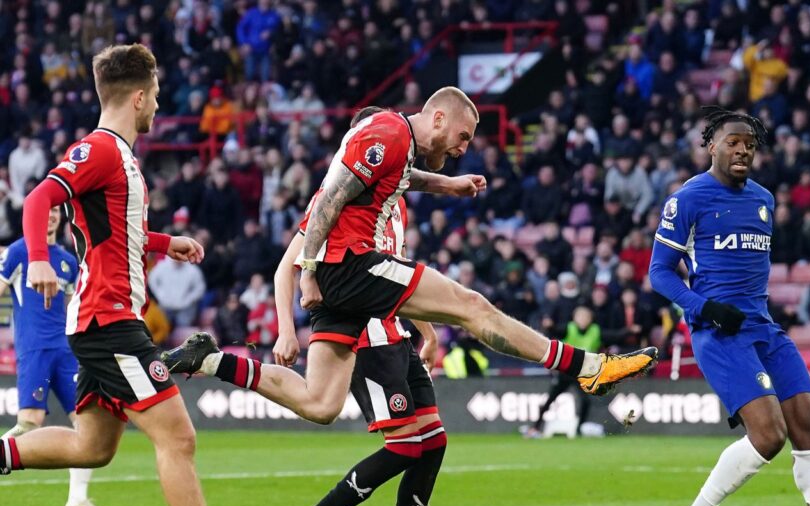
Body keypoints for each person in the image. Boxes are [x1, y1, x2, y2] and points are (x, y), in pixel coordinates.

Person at [163, 88, 656, 426]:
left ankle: (212, 361)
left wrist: (446, 183)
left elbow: (392, 180)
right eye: (462, 137)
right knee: (473, 307)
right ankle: (586, 367)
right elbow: (330, 198)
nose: (464, 148)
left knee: (320, 403)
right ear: (437, 117)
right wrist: (309, 271)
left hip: (342, 281)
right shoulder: (390, 132)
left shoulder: (394, 147)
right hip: (352, 264)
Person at [0, 44, 249, 506]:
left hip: (102, 319)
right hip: (108, 319)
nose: (157, 105)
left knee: (93, 447)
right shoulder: (102, 150)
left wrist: (162, 242)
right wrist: (39, 260)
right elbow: (39, 199)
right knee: (178, 436)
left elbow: (110, 231)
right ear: (138, 97)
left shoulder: (120, 158)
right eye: (155, 95)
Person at [649, 106, 810, 506]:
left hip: (763, 327)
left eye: (750, 145)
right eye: (733, 142)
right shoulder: (687, 199)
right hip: (718, 331)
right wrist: (704, 308)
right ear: (711, 144)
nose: (743, 150)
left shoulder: (763, 200)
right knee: (769, 435)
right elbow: (659, 274)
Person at [274, 106, 446, 506]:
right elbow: (285, 266)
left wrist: (426, 330)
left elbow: (398, 273)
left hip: (397, 332)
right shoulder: (334, 201)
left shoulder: (394, 199)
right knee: (406, 445)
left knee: (433, 442)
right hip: (364, 331)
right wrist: (287, 329)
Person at [0, 206, 114, 506]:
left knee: (86, 424)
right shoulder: (19, 251)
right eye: (43, 210)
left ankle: (77, 501)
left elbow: (72, 306)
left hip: (65, 351)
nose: (49, 215)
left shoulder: (66, 260)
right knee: (29, 423)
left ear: (61, 218)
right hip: (34, 348)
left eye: (54, 211)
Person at [522, 305, 601, 439]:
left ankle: (579, 429)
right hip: (565, 372)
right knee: (550, 400)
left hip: (581, 374)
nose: (582, 320)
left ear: (590, 319)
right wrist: (550, 326)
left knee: (585, 401)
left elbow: (612, 336)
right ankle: (535, 427)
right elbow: (556, 331)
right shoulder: (568, 329)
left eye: (585, 317)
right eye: (580, 317)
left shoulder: (595, 331)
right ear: (574, 318)